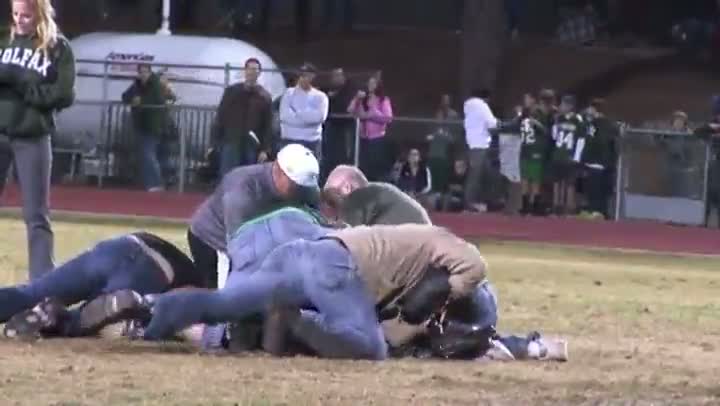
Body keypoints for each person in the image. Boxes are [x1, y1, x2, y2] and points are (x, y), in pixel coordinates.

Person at [141, 224, 488, 361]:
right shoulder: (450, 247)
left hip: (299, 254)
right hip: (335, 265)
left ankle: (151, 313)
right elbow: (473, 266)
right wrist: (450, 292)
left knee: (222, 304)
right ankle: (289, 318)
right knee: (369, 348)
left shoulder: (413, 248)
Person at [0, 232, 202, 340]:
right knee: (85, 320)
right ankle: (61, 318)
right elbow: (190, 313)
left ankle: (51, 313)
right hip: (152, 270)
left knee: (30, 293)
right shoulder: (212, 295)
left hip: (118, 246)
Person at [0, 0, 75, 280]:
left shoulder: (59, 48)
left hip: (32, 137)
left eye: (26, 16)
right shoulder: (3, 40)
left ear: (40, 15)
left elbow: (64, 94)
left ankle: (42, 286)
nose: (20, 20)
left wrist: (25, 88)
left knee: (37, 216)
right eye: (16, 14)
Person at [186, 143, 320, 289]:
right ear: (279, 171)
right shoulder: (242, 189)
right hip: (215, 241)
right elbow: (238, 247)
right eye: (296, 186)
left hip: (255, 238)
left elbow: (315, 216)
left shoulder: (301, 188)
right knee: (225, 299)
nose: (300, 192)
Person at [214, 57, 273, 176]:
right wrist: (214, 142)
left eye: (255, 70)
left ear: (259, 73)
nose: (252, 72)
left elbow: (268, 125)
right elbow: (221, 116)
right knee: (228, 177)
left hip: (251, 145)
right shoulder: (231, 92)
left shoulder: (264, 97)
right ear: (245, 71)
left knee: (247, 179)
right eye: (250, 69)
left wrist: (265, 150)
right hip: (231, 141)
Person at [322, 165, 431, 226]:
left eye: (332, 201)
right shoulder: (383, 192)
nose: (333, 208)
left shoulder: (359, 196)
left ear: (347, 187)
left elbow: (345, 234)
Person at [121, 63, 170, 192]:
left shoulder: (156, 85)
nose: (143, 75)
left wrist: (140, 101)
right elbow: (125, 96)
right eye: (141, 72)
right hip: (140, 124)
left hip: (153, 125)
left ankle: (157, 183)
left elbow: (159, 100)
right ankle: (150, 183)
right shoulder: (136, 85)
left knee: (149, 154)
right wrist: (132, 100)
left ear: (149, 72)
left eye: (145, 72)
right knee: (145, 155)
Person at [348, 75, 394, 182]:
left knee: (375, 166)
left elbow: (388, 118)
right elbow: (350, 110)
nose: (370, 85)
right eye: (369, 83)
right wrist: (357, 98)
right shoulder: (364, 98)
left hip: (376, 137)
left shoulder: (383, 100)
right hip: (363, 137)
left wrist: (372, 112)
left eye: (373, 83)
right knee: (363, 165)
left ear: (378, 86)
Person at [279, 63, 329, 158]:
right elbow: (284, 116)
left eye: (306, 76)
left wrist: (297, 112)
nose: (303, 78)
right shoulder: (288, 93)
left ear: (313, 77)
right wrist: (306, 119)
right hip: (289, 140)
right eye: (301, 75)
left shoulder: (321, 97)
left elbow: (319, 118)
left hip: (311, 142)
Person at [463, 89, 498, 213]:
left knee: (486, 173)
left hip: (471, 144)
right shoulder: (482, 106)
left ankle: (485, 201)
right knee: (476, 175)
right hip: (481, 145)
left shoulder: (467, 107)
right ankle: (470, 203)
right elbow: (492, 123)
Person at [550, 95, 586, 215]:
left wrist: (576, 157)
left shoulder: (577, 120)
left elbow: (581, 140)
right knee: (557, 182)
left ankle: (569, 208)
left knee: (569, 184)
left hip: (570, 155)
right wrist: (555, 123)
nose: (561, 107)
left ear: (571, 106)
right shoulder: (559, 118)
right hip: (559, 154)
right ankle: (556, 206)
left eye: (564, 104)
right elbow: (554, 137)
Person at [320, 67, 355, 183]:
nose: (335, 78)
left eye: (338, 76)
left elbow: (345, 107)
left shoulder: (349, 90)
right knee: (328, 156)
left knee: (342, 157)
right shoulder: (326, 91)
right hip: (330, 127)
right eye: (334, 76)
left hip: (344, 128)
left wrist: (334, 98)